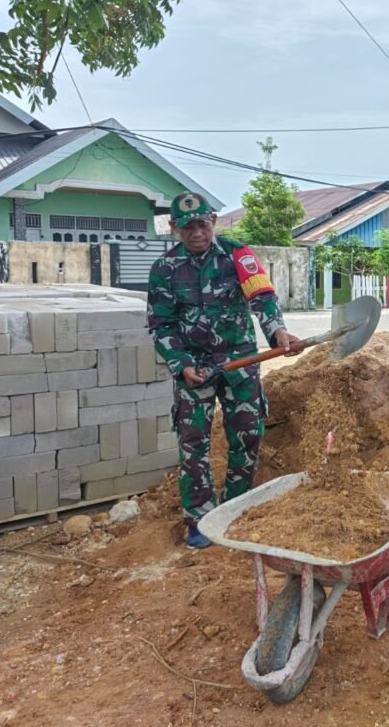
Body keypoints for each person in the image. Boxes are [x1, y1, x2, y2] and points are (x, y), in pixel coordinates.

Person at [147, 192, 300, 549]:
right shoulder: (164, 269)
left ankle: (235, 509)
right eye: (187, 228)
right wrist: (181, 364)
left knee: (247, 438)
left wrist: (277, 332)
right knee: (193, 445)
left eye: (202, 224)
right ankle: (199, 520)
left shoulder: (236, 255)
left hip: (240, 364)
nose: (197, 233)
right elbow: (161, 325)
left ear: (213, 221)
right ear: (174, 228)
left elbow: (262, 298)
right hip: (194, 368)